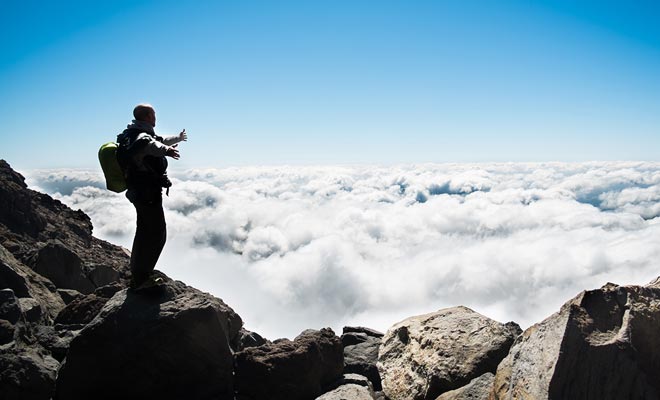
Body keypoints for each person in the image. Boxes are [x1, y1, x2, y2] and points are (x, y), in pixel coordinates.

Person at [117, 103, 187, 288]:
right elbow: (152, 144)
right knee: (155, 234)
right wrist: (167, 151)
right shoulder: (141, 137)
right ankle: (141, 278)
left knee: (145, 232)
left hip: (138, 191)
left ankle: (139, 273)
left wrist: (177, 139)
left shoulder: (129, 135)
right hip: (146, 193)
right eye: (153, 114)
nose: (155, 117)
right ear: (147, 116)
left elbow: (159, 139)